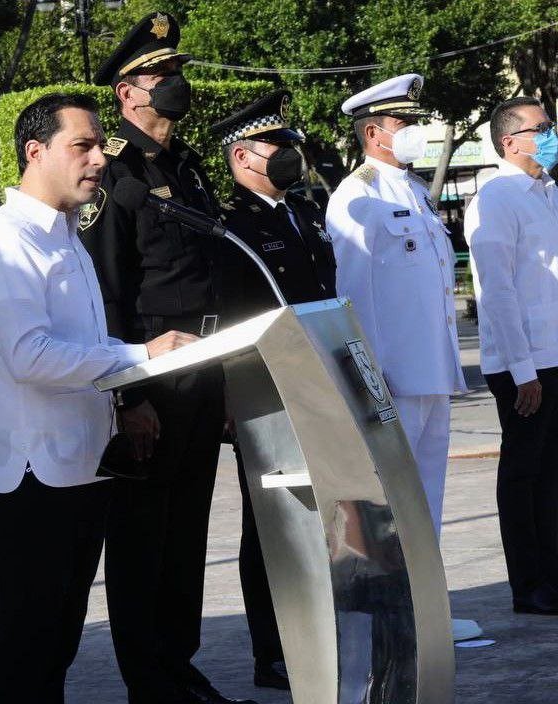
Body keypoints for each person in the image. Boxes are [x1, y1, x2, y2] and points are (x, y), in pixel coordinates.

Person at [0, 92, 194, 704]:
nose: (98, 160)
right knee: (30, 645)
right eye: (82, 146)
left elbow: (84, 345)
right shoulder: (4, 244)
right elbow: (30, 357)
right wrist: (142, 356)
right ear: (35, 152)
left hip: (82, 465)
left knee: (57, 642)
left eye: (100, 146)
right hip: (33, 475)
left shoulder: (65, 237)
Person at [79, 13, 249, 704]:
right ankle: (150, 681)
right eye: (161, 75)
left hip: (206, 365)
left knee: (186, 533)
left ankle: (181, 667)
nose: (176, 85)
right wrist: (128, 396)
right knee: (145, 537)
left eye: (177, 73)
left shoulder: (187, 167)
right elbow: (107, 293)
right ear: (127, 93)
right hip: (153, 374)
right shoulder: (114, 176)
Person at [325, 73, 481, 642]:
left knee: (425, 498)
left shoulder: (411, 191)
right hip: (392, 375)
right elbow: (354, 296)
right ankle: (395, 617)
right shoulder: (357, 196)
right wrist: (370, 376)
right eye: (404, 123)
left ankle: (425, 612)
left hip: (430, 370)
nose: (416, 132)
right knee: (393, 503)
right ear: (374, 132)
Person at [209, 90, 336, 690]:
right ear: (242, 157)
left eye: (291, 145)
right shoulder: (232, 227)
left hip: (320, 382)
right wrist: (232, 399)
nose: (288, 155)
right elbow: (232, 318)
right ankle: (274, 648)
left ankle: (323, 627)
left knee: (325, 510)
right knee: (272, 524)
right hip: (266, 391)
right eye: (275, 147)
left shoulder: (307, 214)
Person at [464, 96, 558, 615]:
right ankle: (528, 584)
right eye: (540, 127)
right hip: (521, 362)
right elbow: (497, 291)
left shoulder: (546, 191)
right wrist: (523, 370)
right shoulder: (497, 196)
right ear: (510, 141)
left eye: (549, 125)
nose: (550, 134)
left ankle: (553, 573)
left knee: (550, 472)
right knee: (523, 474)